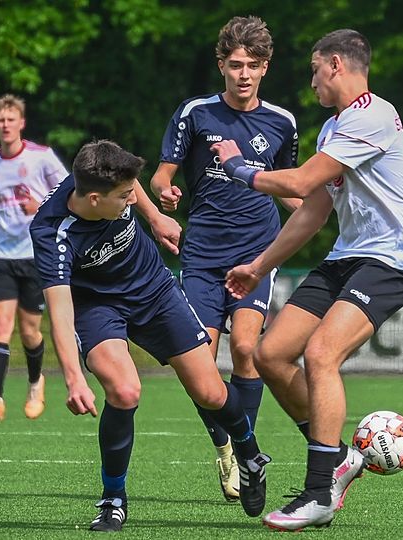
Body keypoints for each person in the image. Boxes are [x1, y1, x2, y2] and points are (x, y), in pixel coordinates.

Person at [211, 29, 403, 531]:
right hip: (347, 257)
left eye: (314, 70)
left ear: (335, 65)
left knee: (322, 353)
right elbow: (313, 209)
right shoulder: (334, 128)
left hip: (389, 261)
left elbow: (301, 180)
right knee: (269, 354)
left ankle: (320, 491)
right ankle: (341, 457)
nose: (311, 82)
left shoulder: (373, 115)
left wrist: (239, 167)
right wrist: (259, 265)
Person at [29, 139, 271, 532]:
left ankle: (249, 452)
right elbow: (60, 312)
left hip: (153, 289)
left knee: (209, 393)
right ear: (94, 200)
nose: (130, 199)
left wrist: (155, 217)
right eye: (124, 197)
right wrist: (74, 379)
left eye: (132, 192)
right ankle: (113, 498)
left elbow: (130, 183)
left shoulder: (102, 176)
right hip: (96, 306)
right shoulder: (52, 234)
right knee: (124, 391)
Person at [148, 15, 300, 502]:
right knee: (198, 362)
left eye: (253, 65)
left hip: (257, 252)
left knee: (246, 349)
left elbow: (289, 185)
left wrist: (316, 211)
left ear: (266, 67)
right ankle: (227, 447)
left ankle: (248, 460)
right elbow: (161, 175)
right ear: (221, 66)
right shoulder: (196, 113)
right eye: (235, 65)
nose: (244, 74)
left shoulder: (282, 123)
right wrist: (165, 192)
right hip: (203, 255)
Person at [0, 94, 68, 422]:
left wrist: (40, 205)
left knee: (30, 331)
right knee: (0, 326)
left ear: (22, 123)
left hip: (35, 254)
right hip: (1, 254)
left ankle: (35, 383)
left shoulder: (42, 157)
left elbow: (67, 193)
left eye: (10, 119)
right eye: (0, 120)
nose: (5, 125)